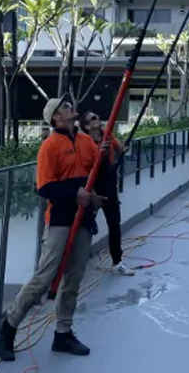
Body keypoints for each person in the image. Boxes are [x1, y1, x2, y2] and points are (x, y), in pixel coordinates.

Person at [0, 96, 107, 361]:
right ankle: (9, 326)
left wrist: (97, 193)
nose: (71, 108)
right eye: (65, 107)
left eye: (69, 106)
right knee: (44, 277)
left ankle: (63, 333)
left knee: (74, 278)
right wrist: (75, 194)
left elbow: (96, 173)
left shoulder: (84, 142)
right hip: (60, 218)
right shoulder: (50, 146)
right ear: (56, 117)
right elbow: (45, 187)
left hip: (84, 218)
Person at [79, 111, 135, 276]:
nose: (98, 118)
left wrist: (123, 149)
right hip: (93, 186)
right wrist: (93, 193)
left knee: (114, 225)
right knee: (85, 226)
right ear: (87, 126)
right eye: (94, 118)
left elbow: (119, 150)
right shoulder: (85, 142)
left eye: (97, 116)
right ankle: (77, 263)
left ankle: (117, 262)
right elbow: (85, 167)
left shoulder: (108, 135)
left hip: (109, 185)